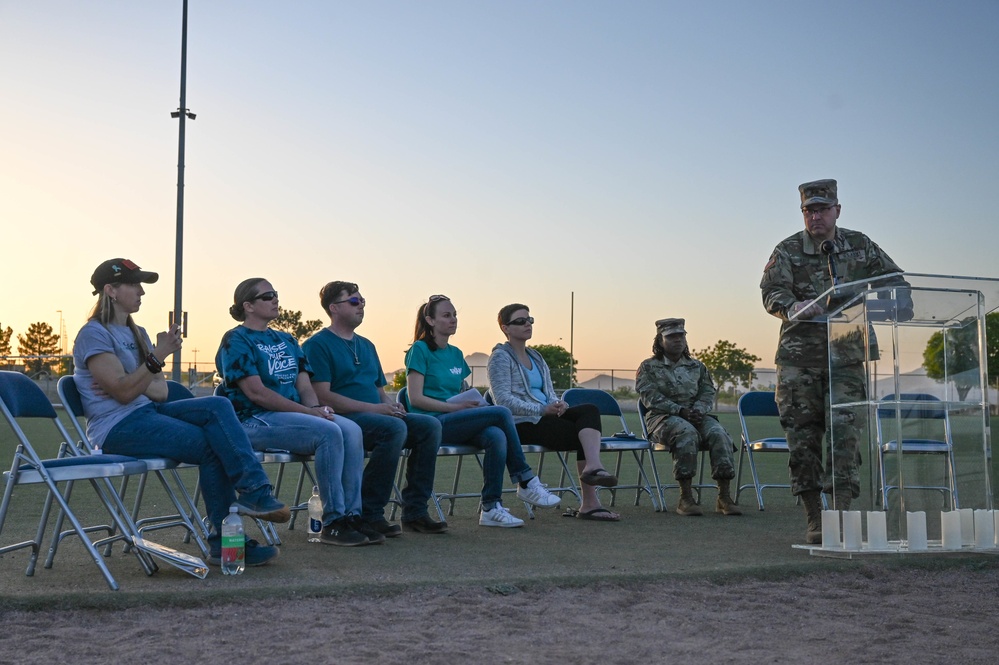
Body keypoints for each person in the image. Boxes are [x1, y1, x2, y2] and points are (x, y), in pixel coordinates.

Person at [72, 258, 287, 567]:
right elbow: (122, 394)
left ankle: (254, 491)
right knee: (211, 445)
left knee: (217, 405)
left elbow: (158, 391)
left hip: (149, 411)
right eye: (134, 284)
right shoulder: (94, 334)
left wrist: (137, 373)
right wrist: (155, 358)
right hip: (117, 427)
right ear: (111, 290)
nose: (141, 292)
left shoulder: (138, 333)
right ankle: (226, 541)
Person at [761, 179, 904, 543]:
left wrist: (871, 306)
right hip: (800, 360)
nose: (816, 216)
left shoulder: (860, 246)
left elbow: (898, 288)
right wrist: (792, 306)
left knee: (845, 436)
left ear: (838, 210)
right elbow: (772, 291)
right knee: (803, 439)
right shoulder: (788, 249)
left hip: (847, 356)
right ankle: (815, 518)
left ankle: (841, 513)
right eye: (809, 210)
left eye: (823, 209)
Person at [215, 278, 374, 547]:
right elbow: (256, 393)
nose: (275, 299)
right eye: (267, 296)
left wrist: (315, 408)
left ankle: (352, 515)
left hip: (291, 415)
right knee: (328, 433)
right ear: (248, 306)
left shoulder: (286, 338)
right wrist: (308, 413)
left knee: (351, 429)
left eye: (275, 294)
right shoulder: (236, 339)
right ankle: (333, 522)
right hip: (253, 419)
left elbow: (303, 383)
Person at [404, 295, 561, 528]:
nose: (453, 320)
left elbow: (460, 390)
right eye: (446, 316)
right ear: (430, 320)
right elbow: (415, 398)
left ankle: (491, 507)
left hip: (456, 420)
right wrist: (456, 407)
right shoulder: (420, 349)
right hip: (431, 423)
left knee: (496, 435)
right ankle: (526, 479)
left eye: (455, 314)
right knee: (501, 412)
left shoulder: (456, 353)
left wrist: (471, 402)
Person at [303, 281, 446, 535]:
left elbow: (381, 393)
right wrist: (377, 410)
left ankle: (415, 511)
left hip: (374, 417)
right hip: (342, 420)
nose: (361, 307)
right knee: (391, 429)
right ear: (334, 308)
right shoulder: (317, 345)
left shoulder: (367, 345)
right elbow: (323, 395)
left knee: (429, 426)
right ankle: (370, 512)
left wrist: (393, 406)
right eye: (355, 302)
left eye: (363, 302)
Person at [487, 303, 621, 522]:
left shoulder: (536, 357)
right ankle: (590, 504)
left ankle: (593, 467)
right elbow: (502, 401)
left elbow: (548, 392)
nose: (527, 324)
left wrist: (558, 404)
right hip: (522, 424)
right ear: (505, 328)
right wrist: (541, 409)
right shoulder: (500, 358)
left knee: (589, 411)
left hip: (546, 415)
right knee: (582, 435)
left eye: (530, 319)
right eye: (520, 321)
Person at [636, 318, 742, 517]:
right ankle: (685, 498)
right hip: (662, 418)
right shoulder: (648, 367)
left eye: (681, 335)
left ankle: (724, 496)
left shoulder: (697, 366)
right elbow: (649, 397)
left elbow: (708, 391)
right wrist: (679, 411)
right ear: (660, 340)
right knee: (686, 432)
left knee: (719, 433)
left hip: (696, 415)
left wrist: (699, 409)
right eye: (671, 336)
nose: (677, 340)